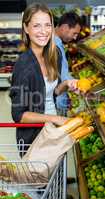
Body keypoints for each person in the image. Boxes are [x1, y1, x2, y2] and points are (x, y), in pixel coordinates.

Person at [10, 2, 77, 154]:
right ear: (26, 28)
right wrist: (54, 119)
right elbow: (19, 115)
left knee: (56, 176)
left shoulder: (55, 55)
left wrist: (67, 83)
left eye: (47, 25)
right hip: (35, 139)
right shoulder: (23, 65)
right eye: (37, 26)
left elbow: (51, 93)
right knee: (40, 177)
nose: (43, 31)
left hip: (54, 134)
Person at [55, 12, 82, 116]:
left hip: (60, 100)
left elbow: (62, 72)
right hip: (57, 103)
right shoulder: (54, 46)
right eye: (74, 33)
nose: (75, 37)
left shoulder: (58, 44)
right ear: (65, 27)